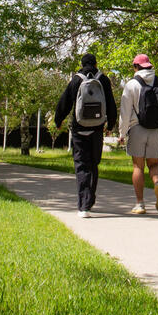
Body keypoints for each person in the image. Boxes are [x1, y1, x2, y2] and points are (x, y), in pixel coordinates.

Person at [54, 52, 117, 218]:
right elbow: (110, 103)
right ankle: (90, 199)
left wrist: (58, 120)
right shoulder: (103, 79)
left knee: (81, 164)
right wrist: (110, 124)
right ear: (96, 64)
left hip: (79, 127)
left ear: (82, 65)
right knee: (93, 164)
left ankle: (83, 206)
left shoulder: (76, 79)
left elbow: (65, 101)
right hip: (97, 128)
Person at [118, 53, 158, 215]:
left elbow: (125, 113)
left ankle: (140, 204)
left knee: (138, 166)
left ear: (136, 67)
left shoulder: (131, 85)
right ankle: (157, 184)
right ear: (149, 66)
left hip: (137, 129)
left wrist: (121, 133)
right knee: (154, 165)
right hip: (156, 130)